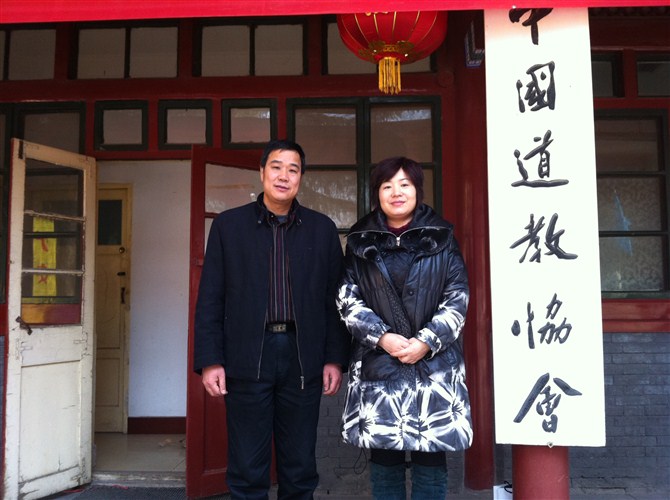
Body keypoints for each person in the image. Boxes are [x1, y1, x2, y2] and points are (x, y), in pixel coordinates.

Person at [194, 139, 350, 500]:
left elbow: (335, 301)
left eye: (293, 170)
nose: (284, 176)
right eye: (276, 167)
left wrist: (334, 358)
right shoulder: (229, 226)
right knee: (248, 467)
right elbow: (211, 298)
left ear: (301, 178)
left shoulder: (321, 229)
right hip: (247, 354)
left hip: (302, 356)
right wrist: (210, 360)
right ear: (262, 172)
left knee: (299, 466)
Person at [336, 156, 473, 500]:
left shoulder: (442, 238)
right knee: (385, 463)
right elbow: (347, 298)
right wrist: (382, 337)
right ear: (377, 193)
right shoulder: (360, 241)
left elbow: (457, 298)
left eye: (404, 184)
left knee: (431, 462)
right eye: (387, 186)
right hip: (379, 365)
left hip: (434, 368)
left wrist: (426, 341)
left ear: (417, 190)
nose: (396, 192)